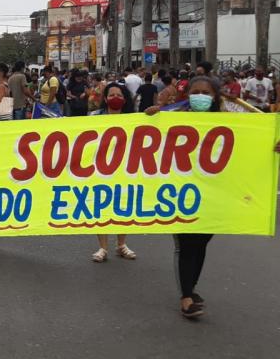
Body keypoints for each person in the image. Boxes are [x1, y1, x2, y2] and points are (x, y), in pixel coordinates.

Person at [145, 76, 222, 318]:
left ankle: (191, 288)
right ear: (187, 95)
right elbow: (149, 134)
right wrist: (154, 115)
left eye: (206, 92)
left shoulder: (233, 123)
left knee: (201, 243)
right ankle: (187, 296)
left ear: (215, 97)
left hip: (214, 194)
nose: (200, 96)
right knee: (187, 244)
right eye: (195, 91)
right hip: (180, 193)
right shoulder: (173, 117)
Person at [89, 82, 137, 263]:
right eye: (111, 95)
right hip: (100, 167)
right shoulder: (94, 117)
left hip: (125, 167)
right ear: (105, 98)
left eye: (119, 95)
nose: (115, 98)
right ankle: (103, 247)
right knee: (100, 206)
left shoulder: (134, 118)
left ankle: (121, 244)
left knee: (124, 206)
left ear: (125, 99)